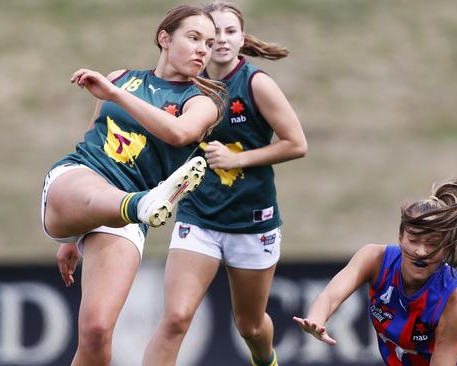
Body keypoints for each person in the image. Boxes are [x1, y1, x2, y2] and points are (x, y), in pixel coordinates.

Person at [41, 5, 228, 365]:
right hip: (80, 178)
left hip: (126, 217)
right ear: (165, 38)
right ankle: (140, 204)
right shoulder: (123, 77)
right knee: (99, 190)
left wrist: (115, 94)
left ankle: (138, 205)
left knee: (96, 333)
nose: (203, 49)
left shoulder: (202, 103)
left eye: (209, 42)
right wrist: (70, 238)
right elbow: (93, 140)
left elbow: (180, 134)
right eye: (194, 38)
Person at [142, 2, 307, 366]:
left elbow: (297, 144)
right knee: (175, 318)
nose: (220, 39)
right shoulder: (184, 85)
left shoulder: (255, 83)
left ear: (241, 37)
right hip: (197, 218)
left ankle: (266, 361)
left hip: (252, 222)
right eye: (212, 32)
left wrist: (239, 159)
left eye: (230, 31)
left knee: (249, 327)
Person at [294, 172, 457, 366]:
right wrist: (317, 318)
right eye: (413, 240)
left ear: (447, 249)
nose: (421, 251)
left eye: (433, 244)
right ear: (400, 237)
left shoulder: (453, 295)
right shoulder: (374, 259)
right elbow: (329, 296)